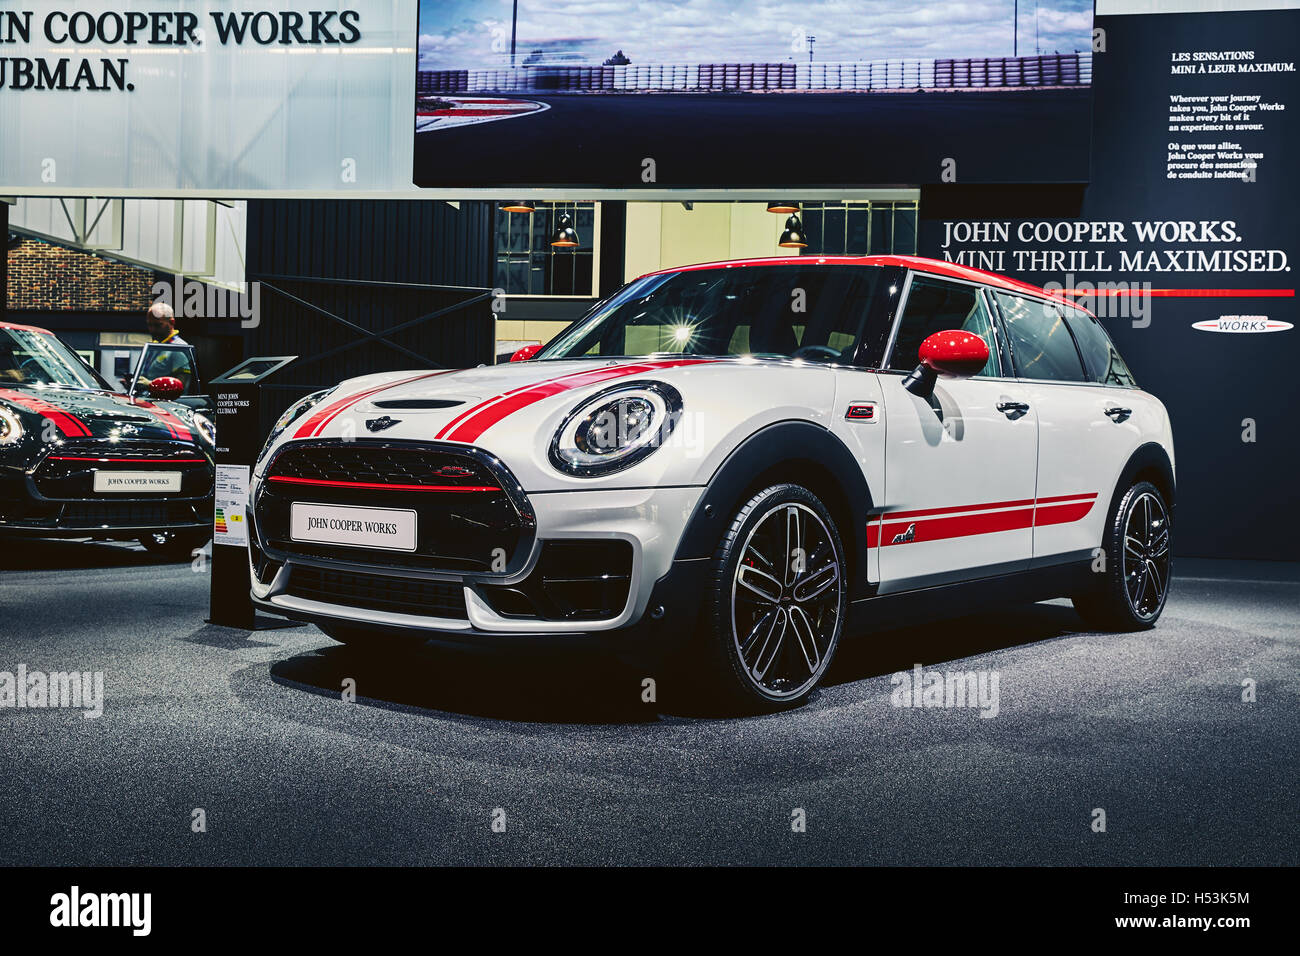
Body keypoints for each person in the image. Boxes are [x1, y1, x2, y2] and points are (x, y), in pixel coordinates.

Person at [135, 302, 193, 392]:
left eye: (158, 325)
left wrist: (151, 385)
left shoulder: (179, 348)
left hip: (166, 403)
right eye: (149, 325)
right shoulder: (154, 345)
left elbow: (181, 386)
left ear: (172, 322)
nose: (152, 330)